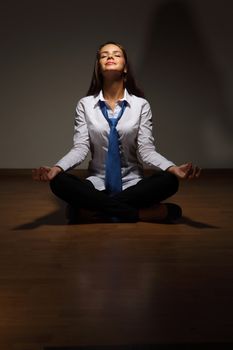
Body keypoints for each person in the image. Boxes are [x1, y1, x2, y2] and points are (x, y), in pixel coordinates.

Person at [32, 41, 200, 224]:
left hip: (134, 185)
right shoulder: (85, 105)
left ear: (125, 68)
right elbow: (80, 149)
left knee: (169, 181)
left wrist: (173, 168)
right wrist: (56, 168)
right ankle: (142, 213)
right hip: (97, 183)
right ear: (99, 67)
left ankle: (86, 212)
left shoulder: (141, 105)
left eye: (116, 54)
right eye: (104, 55)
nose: (110, 57)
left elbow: (146, 150)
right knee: (58, 181)